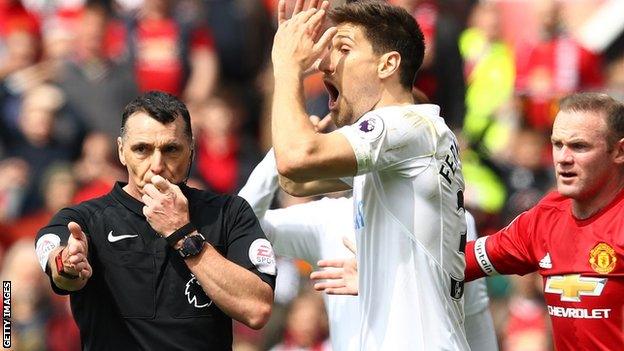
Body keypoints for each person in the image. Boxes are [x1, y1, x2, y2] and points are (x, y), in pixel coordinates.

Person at [271, 1, 468, 348]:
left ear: (387, 64)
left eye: (343, 49)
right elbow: (295, 181)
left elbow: (295, 160)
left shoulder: (407, 124)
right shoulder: (402, 145)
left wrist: (286, 67)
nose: (325, 64)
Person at [34, 91, 276, 350]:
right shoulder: (85, 220)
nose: (157, 165)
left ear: (192, 150)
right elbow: (58, 260)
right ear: (121, 151)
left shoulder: (229, 213)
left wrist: (182, 233)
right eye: (142, 149)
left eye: (171, 149)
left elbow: (256, 309)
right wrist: (67, 266)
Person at [238, 147, 498, 351]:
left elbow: (473, 315)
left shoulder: (454, 219)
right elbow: (242, 226)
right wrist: (282, 151)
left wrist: (380, 281)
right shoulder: (330, 218)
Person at [463, 92, 624, 349]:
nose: (563, 158)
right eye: (557, 144)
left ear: (619, 151)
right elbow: (456, 264)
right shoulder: (545, 217)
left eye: (579, 146)